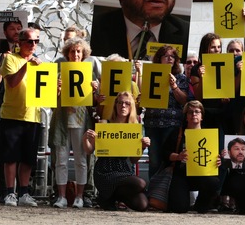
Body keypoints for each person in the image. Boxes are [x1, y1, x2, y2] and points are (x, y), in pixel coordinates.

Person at [49, 38, 97, 208]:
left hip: (81, 121)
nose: (76, 54)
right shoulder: (59, 73)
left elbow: (97, 101)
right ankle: (61, 196)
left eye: (79, 51)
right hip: (62, 122)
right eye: (72, 51)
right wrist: (56, 90)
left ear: (83, 54)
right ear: (67, 54)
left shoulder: (90, 74)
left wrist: (96, 90)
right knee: (61, 160)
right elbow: (49, 101)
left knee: (81, 159)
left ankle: (80, 196)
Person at [0, 28, 43, 207]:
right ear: (20, 42)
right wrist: (26, 65)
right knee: (10, 157)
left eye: (36, 41)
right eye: (29, 41)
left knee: (28, 157)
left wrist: (57, 87)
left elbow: (43, 90)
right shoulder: (9, 59)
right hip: (12, 115)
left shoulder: (40, 63)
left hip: (33, 115)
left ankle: (24, 193)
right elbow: (12, 82)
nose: (33, 45)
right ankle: (10, 193)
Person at [83, 91, 150, 211]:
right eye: (120, 103)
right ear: (115, 105)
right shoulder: (104, 124)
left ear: (131, 107)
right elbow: (89, 151)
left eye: (127, 103)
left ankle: (107, 198)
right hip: (105, 170)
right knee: (141, 183)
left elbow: (134, 160)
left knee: (142, 205)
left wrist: (143, 147)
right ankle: (107, 195)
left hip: (124, 170)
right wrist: (86, 139)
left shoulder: (134, 129)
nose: (123, 106)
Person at [165, 100, 223, 214]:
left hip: (202, 174)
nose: (194, 115)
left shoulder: (209, 135)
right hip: (181, 174)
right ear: (186, 116)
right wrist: (178, 156)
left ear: (202, 116)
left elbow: (215, 157)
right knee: (179, 208)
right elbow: (165, 153)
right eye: (190, 112)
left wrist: (218, 160)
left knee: (214, 182)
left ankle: (201, 205)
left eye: (197, 112)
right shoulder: (178, 133)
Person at [145, 44, 192, 179]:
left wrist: (175, 87)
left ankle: (165, 195)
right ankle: (153, 194)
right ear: (159, 59)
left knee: (169, 159)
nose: (170, 59)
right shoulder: (151, 74)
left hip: (172, 125)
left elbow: (184, 101)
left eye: (172, 56)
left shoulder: (181, 77)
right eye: (166, 56)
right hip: (152, 124)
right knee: (154, 160)